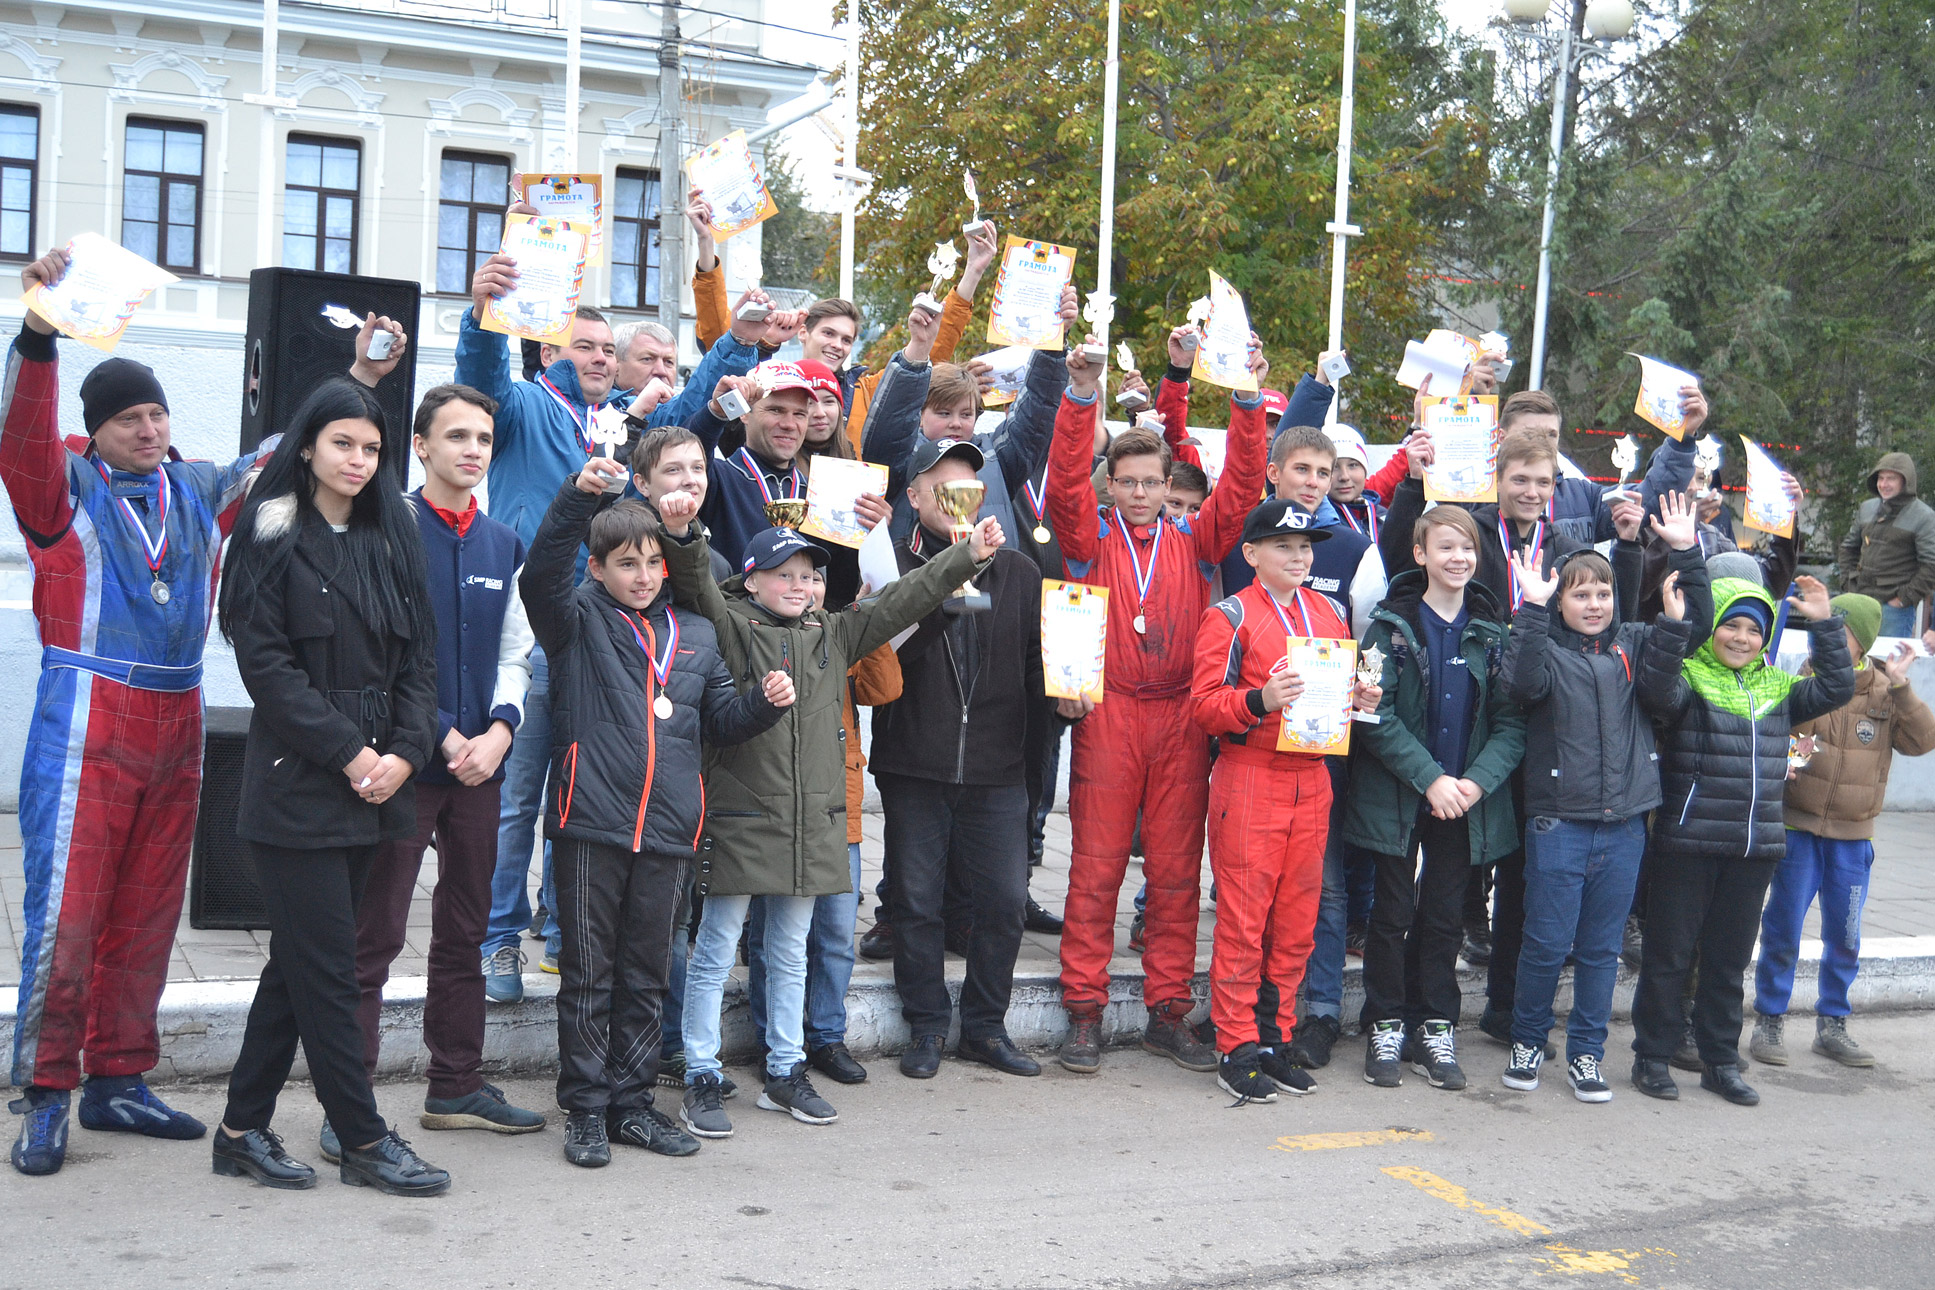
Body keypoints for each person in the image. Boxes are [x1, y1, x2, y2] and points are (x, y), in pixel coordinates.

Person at [4, 247, 401, 1177]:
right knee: (68, 916)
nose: (148, 429)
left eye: (157, 414)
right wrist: (39, 332)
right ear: (96, 430)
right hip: (86, 717)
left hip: (175, 719)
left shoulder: (195, 489)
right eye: (128, 419)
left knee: (148, 912)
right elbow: (19, 433)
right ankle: (47, 1092)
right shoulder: (59, 492)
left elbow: (284, 452)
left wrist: (358, 377)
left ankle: (118, 1077)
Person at [461, 259, 766, 1007]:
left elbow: (690, 412)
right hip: (541, 631)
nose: (598, 358)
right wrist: (483, 314)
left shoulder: (626, 421)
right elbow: (481, 380)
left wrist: (735, 341)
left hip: (612, 641)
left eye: (606, 348)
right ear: (549, 350)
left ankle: (564, 934)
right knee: (518, 799)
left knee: (584, 795)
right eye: (584, 347)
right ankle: (499, 939)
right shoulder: (525, 406)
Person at [655, 491, 1001, 1138]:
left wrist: (966, 556)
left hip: (811, 825)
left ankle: (784, 1071)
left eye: (810, 575)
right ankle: (701, 1072)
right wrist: (681, 531)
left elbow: (904, 598)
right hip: (739, 820)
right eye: (783, 574)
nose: (800, 585)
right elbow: (696, 580)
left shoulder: (834, 631)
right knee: (715, 951)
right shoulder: (729, 624)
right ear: (751, 580)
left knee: (791, 953)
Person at [211, 379, 448, 1196]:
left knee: (298, 966)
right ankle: (363, 1138)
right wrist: (351, 754)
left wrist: (406, 755)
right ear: (307, 445)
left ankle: (240, 1130)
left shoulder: (393, 533)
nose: (358, 460)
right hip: (299, 785)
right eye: (343, 443)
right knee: (328, 972)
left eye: (372, 448)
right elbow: (267, 669)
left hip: (379, 784)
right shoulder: (270, 531)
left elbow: (419, 662)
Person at [520, 455, 790, 1167]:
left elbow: (721, 720)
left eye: (650, 562)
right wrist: (575, 500)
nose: (641, 576)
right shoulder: (577, 619)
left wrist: (763, 704)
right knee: (588, 975)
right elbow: (538, 575)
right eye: (625, 564)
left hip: (669, 829)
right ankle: (585, 1108)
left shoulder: (694, 633)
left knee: (647, 976)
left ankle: (632, 1105)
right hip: (590, 821)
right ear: (598, 568)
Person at [1045, 333, 1270, 1076]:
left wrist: (1246, 401)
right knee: (1095, 866)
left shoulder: (1196, 542)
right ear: (1110, 484)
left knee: (1175, 872)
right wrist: (1080, 395)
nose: (1140, 494)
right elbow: (1062, 482)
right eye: (1128, 482)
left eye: (1151, 482)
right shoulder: (1086, 540)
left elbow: (1243, 486)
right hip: (1109, 711)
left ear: (1167, 482)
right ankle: (1083, 1010)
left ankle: (1166, 1012)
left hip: (1180, 716)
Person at [338, 385, 544, 1163]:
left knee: (466, 932)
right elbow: (377, 655)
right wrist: (446, 734)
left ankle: (455, 1085)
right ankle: (348, 1104)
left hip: (478, 771)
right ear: (420, 446)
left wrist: (500, 730)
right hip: (402, 767)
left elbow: (515, 652)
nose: (473, 450)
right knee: (374, 937)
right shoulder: (383, 529)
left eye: (483, 438)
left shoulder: (502, 543)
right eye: (456, 435)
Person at [1498, 496, 1709, 1102]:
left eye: (1604, 593)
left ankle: (1587, 1054)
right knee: (1545, 946)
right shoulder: (1544, 647)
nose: (1594, 604)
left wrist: (1686, 554)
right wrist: (1531, 608)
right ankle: (1527, 1042)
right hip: (1557, 825)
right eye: (1580, 594)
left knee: (1600, 951)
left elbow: (1694, 629)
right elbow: (1519, 685)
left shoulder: (1636, 643)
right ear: (1560, 602)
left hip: (1624, 826)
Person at [1632, 574, 1855, 1106]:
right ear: (1711, 629)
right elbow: (1655, 692)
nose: (1741, 638)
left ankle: (1719, 1063)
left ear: (1766, 637)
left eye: (1754, 630)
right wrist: (1674, 626)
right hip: (1688, 844)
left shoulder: (1778, 687)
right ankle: (1652, 1058)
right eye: (1730, 625)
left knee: (1728, 963)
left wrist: (1825, 624)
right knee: (1669, 958)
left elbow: (1836, 688)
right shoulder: (1689, 677)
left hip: (1754, 850)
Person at [1190, 499, 1380, 1099]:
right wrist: (1259, 700)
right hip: (1251, 776)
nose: (1299, 557)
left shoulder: (1328, 611)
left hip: (1313, 778)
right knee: (1245, 922)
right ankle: (1236, 1045)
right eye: (1284, 547)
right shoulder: (1229, 616)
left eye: (1305, 548)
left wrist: (1358, 701)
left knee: (1297, 922)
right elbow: (1203, 707)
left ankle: (1274, 1038)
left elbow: (1337, 694)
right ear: (1251, 554)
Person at [874, 438, 1047, 1080]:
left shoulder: (1019, 572)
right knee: (916, 903)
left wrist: (1066, 705)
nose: (958, 498)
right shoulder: (890, 562)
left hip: (998, 769)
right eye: (942, 486)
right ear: (914, 496)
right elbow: (884, 660)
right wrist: (949, 580)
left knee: (1003, 902)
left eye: (969, 487)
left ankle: (984, 1028)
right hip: (914, 761)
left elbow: (1037, 669)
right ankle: (926, 1024)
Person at [1342, 505, 1526, 1092]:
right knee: (1391, 915)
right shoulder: (1387, 629)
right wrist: (1430, 778)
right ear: (1420, 554)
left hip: (1464, 802)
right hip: (1400, 798)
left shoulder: (1494, 634)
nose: (1458, 558)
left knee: (1446, 917)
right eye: (1445, 547)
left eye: (1467, 547)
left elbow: (1511, 724)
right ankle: (1386, 1023)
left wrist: (1475, 783)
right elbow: (1372, 716)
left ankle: (1435, 1025)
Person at [1752, 595, 1935, 1069]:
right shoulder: (1802, 683)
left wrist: (1903, 689)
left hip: (1853, 839)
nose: (1826, 639)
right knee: (1783, 927)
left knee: (1846, 935)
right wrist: (1787, 761)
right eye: (1822, 629)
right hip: (1798, 830)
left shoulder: (1885, 692)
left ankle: (1833, 1022)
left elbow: (1922, 741)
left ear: (1863, 642)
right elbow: (1788, 742)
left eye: (1840, 632)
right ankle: (1769, 1018)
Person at [1837, 452, 1935, 638]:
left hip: (1893, 610)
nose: (1884, 484)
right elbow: (1848, 548)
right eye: (1880, 478)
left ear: (1906, 481)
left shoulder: (1924, 517)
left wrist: (1903, 599)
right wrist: (1848, 584)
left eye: (1891, 478)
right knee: (1852, 655)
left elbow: (1931, 565)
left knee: (1888, 658)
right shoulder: (1867, 508)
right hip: (1859, 601)